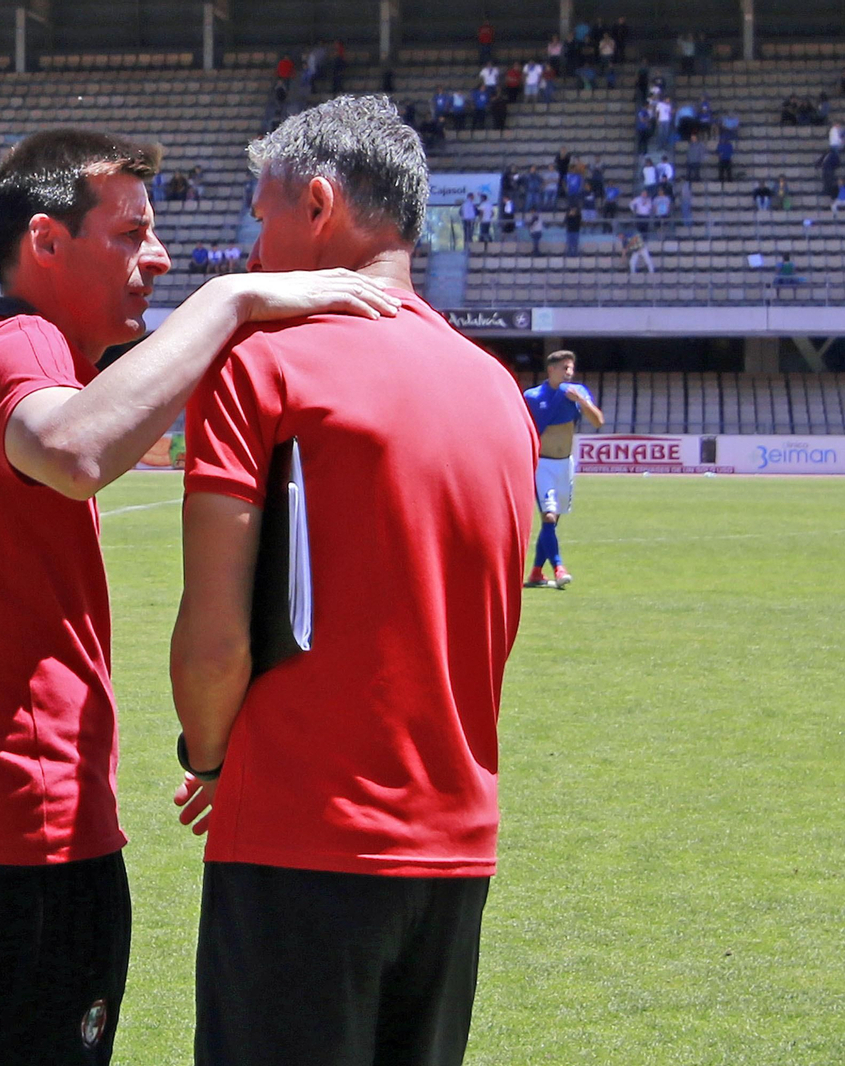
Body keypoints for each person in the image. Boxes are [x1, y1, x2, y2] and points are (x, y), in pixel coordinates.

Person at [0, 126, 400, 1066]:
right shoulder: (17, 346)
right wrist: (233, 299)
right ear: (46, 243)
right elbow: (77, 451)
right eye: (130, 234)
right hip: (18, 843)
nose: (157, 256)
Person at [170, 95, 537, 1066]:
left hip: (301, 840)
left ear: (319, 205)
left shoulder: (262, 361)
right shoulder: (497, 391)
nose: (251, 242)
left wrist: (209, 757)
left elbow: (215, 638)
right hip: (454, 852)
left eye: (262, 212)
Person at [524, 350, 603, 588]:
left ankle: (537, 572)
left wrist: (581, 400)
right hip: (543, 465)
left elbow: (598, 421)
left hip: (565, 465)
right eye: (564, 368)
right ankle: (559, 568)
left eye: (571, 368)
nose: (569, 372)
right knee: (548, 516)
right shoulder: (533, 396)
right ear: (551, 370)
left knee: (552, 521)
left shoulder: (577, 393)